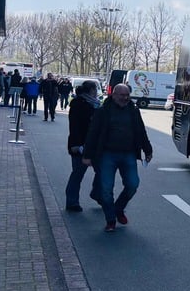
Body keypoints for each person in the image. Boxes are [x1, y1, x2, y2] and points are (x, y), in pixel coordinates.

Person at [83, 84, 153, 232]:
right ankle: (110, 219)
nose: (125, 98)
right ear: (114, 95)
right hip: (107, 154)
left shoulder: (133, 111)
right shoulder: (103, 111)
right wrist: (87, 155)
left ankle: (118, 208)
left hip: (128, 154)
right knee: (106, 189)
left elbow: (141, 131)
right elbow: (93, 133)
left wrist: (148, 150)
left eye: (127, 95)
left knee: (133, 184)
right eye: (122, 95)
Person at [64, 81, 103, 212]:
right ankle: (72, 201)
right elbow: (74, 126)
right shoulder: (78, 104)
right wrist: (76, 144)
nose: (97, 92)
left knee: (102, 172)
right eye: (96, 89)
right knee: (78, 173)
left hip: (95, 144)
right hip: (80, 144)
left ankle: (97, 194)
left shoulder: (96, 104)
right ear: (92, 90)